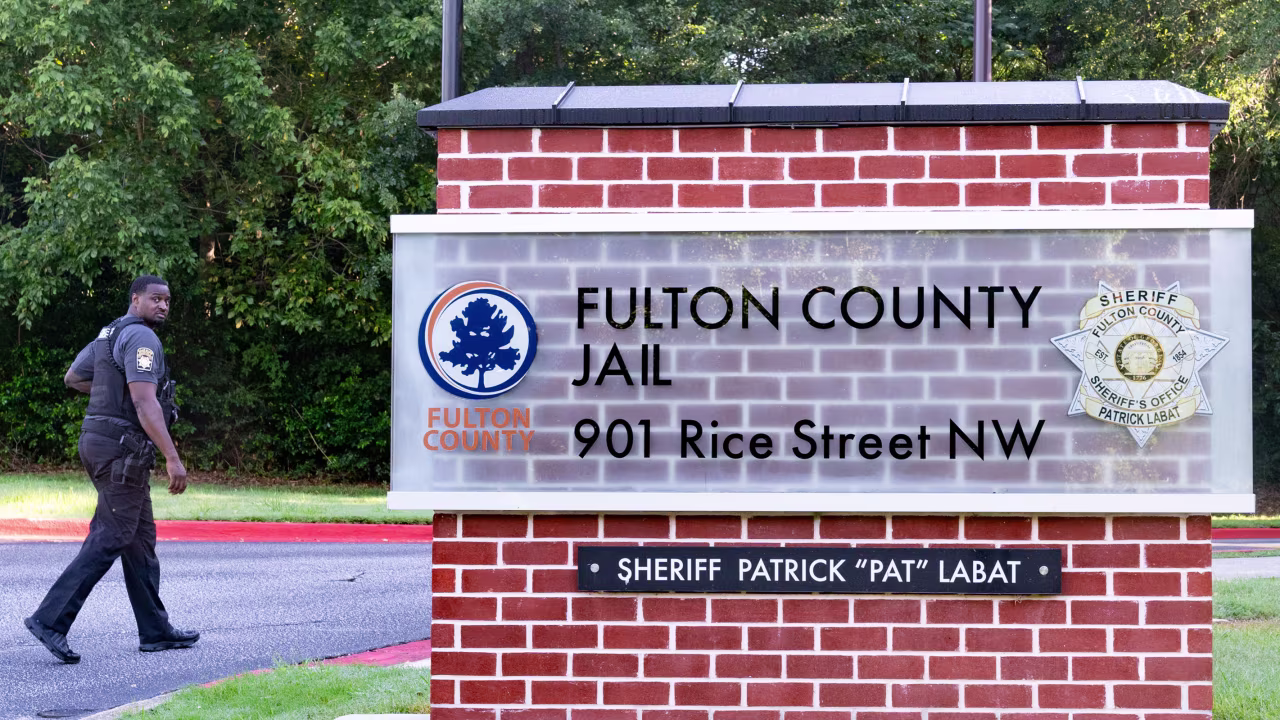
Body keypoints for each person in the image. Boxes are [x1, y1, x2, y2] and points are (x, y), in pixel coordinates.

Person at [24, 275, 198, 664]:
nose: (163, 306)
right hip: (122, 450)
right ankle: (49, 620)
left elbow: (74, 377)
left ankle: (155, 631)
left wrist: (112, 391)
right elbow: (144, 403)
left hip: (99, 442)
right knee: (112, 534)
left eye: (167, 300)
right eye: (155, 299)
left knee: (139, 539)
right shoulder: (141, 339)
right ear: (135, 299)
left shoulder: (109, 333)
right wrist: (172, 457)